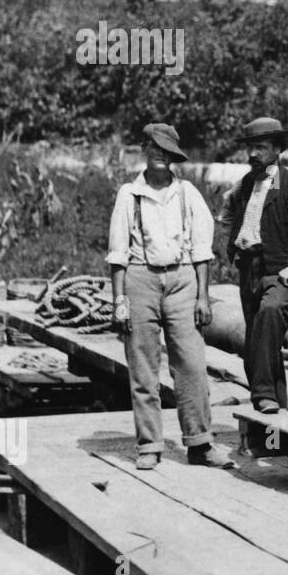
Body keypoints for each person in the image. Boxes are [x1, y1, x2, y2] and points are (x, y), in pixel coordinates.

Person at [107, 123, 234, 470]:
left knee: (191, 365)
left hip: (182, 281)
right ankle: (149, 445)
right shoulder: (128, 194)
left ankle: (200, 444)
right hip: (139, 280)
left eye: (168, 151)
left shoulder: (188, 193)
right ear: (145, 148)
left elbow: (202, 250)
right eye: (155, 148)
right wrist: (120, 302)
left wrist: (203, 297)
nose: (161, 156)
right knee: (143, 367)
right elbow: (118, 254)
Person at [219, 117, 288, 414]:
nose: (254, 154)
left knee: (270, 314)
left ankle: (263, 394)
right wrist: (232, 246)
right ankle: (272, 415)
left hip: (281, 272)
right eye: (250, 148)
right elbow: (226, 215)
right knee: (255, 338)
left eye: (261, 147)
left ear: (277, 149)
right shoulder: (243, 184)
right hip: (249, 268)